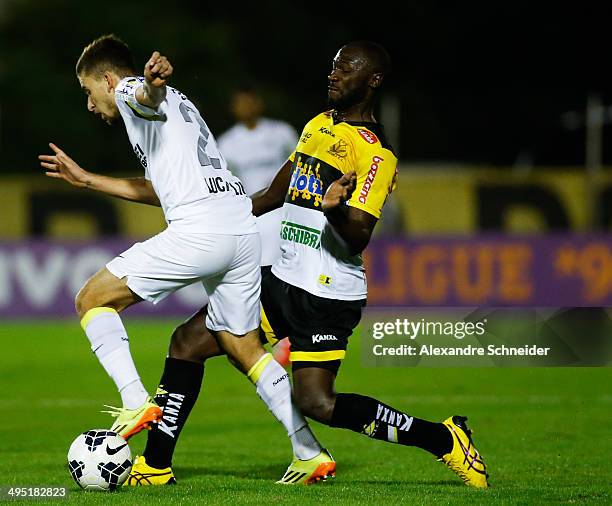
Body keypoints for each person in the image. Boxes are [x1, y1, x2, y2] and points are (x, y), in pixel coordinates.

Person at [136, 41, 489, 488]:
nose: (334, 74)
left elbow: (357, 235)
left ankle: (443, 439)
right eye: (333, 67)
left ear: (373, 80)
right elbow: (273, 193)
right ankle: (153, 468)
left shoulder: (376, 154)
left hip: (326, 292)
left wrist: (334, 208)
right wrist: (219, 214)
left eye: (346, 68)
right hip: (280, 279)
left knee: (317, 403)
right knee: (188, 341)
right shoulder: (318, 125)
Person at [38, 34, 332, 484]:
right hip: (239, 227)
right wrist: (88, 181)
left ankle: (136, 401)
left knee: (91, 300)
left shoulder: (130, 92)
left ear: (106, 78)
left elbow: (141, 94)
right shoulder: (180, 107)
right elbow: (162, 189)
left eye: (87, 91)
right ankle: (309, 451)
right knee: (243, 346)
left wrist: (148, 84)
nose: (90, 104)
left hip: (202, 230)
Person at [218, 86, 298, 363]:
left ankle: (287, 334)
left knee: (283, 273)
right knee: (259, 275)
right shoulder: (227, 143)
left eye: (249, 101)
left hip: (284, 213)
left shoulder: (281, 133)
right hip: (253, 215)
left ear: (258, 103)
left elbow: (302, 165)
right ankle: (276, 334)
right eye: (240, 103)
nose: (245, 107)